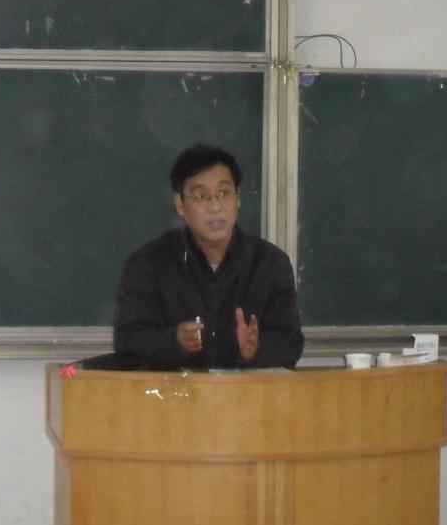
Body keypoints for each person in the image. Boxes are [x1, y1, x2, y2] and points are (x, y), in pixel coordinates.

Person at [112, 143, 304, 369]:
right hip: (174, 390)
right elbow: (128, 340)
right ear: (180, 204)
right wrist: (175, 341)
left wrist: (256, 349)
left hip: (247, 390)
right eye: (200, 196)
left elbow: (290, 342)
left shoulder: (270, 263)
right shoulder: (148, 264)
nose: (215, 207)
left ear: (238, 197)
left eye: (224, 193)